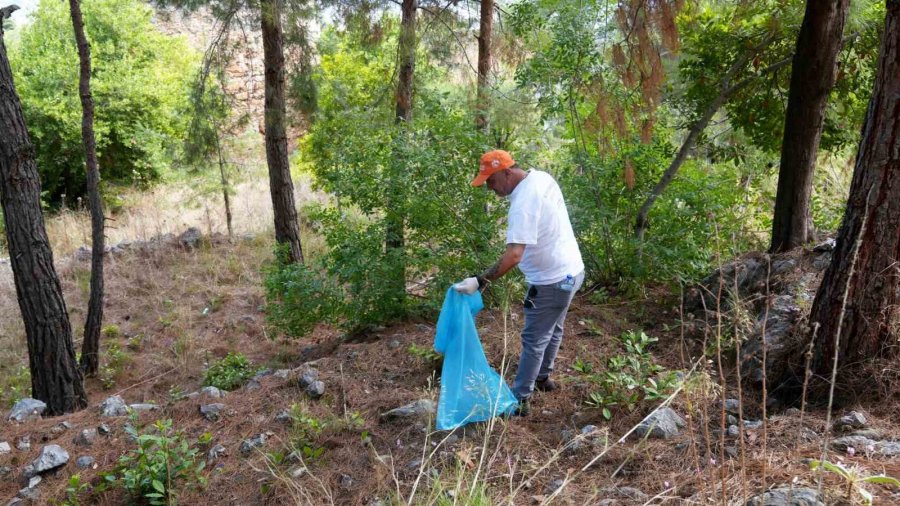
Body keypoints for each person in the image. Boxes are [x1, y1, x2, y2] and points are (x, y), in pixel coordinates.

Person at [454, 149, 584, 414]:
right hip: (572, 271)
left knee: (534, 338)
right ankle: (542, 378)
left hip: (552, 281)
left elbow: (514, 254)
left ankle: (520, 399)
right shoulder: (541, 178)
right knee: (553, 328)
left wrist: (481, 280)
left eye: (491, 181)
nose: (490, 188)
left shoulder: (523, 203)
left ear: (507, 172)